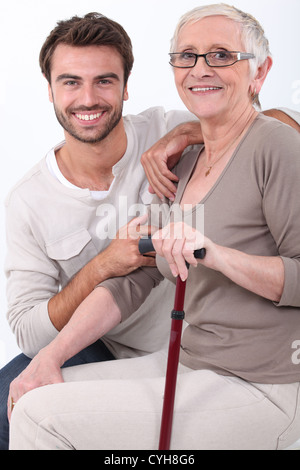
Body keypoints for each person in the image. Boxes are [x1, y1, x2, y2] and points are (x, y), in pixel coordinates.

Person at [8, 4, 300, 450]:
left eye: (222, 55)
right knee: (27, 395)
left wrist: (213, 252)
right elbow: (136, 278)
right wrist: (50, 354)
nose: (201, 68)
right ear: (49, 90)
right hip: (181, 358)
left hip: (265, 378)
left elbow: (268, 130)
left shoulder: (230, 143)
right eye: (187, 56)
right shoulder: (178, 168)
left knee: (42, 418)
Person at [0, 13, 204, 451]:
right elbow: (31, 333)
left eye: (104, 81)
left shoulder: (168, 129)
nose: (87, 98)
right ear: (49, 87)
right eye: (70, 82)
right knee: (8, 405)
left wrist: (195, 130)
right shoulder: (27, 201)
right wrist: (102, 265)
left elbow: (277, 127)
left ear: (126, 86)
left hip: (201, 342)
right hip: (106, 343)